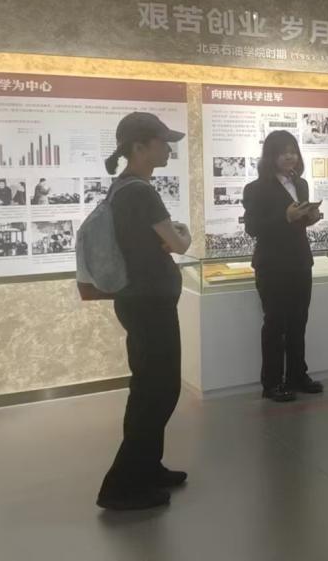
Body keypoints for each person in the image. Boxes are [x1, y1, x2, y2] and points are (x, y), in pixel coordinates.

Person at [96, 112, 192, 511]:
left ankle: (148, 467)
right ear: (139, 146)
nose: (168, 149)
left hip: (140, 301)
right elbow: (179, 243)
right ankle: (121, 486)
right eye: (162, 142)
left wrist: (170, 239)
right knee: (158, 390)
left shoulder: (125, 188)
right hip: (149, 303)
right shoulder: (140, 192)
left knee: (150, 388)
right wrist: (181, 235)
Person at [243, 130, 324, 403]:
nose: (290, 156)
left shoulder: (300, 184)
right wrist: (285, 217)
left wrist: (309, 218)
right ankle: (272, 383)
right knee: (275, 323)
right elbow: (253, 228)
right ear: (271, 156)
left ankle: (297, 376)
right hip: (272, 264)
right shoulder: (256, 189)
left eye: (293, 151)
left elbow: (298, 224)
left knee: (299, 321)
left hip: (300, 260)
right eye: (283, 152)